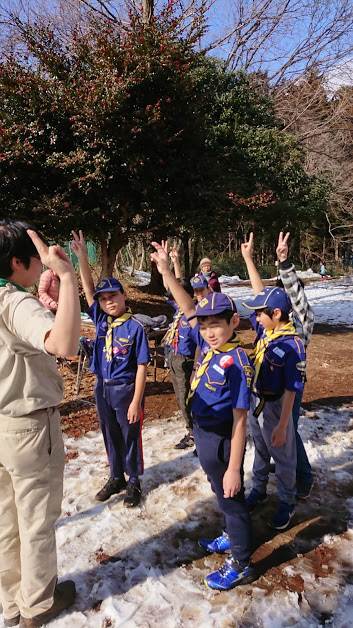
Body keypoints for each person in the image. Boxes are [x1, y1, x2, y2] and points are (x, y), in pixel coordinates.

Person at [151, 241, 256, 591]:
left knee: (232, 495)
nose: (209, 331)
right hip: (204, 435)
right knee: (219, 492)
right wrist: (166, 272)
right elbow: (187, 307)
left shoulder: (237, 363)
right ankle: (231, 531)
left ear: (234, 322)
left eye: (217, 324)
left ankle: (242, 563)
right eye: (206, 324)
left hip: (225, 440)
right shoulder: (207, 342)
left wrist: (233, 467)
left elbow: (241, 420)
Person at [0, 221, 80, 627]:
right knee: (35, 522)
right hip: (28, 429)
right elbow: (63, 344)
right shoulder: (13, 303)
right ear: (17, 262)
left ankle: (11, 604)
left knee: (4, 522)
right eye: (35, 260)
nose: (41, 264)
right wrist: (66, 277)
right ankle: (38, 605)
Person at [71, 230, 150, 507]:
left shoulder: (135, 327)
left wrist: (136, 401)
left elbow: (141, 366)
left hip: (126, 390)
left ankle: (133, 481)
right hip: (102, 388)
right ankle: (116, 475)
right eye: (104, 299)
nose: (108, 302)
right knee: (109, 433)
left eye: (113, 296)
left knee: (130, 435)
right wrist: (81, 256)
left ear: (123, 296)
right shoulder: (102, 321)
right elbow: (88, 289)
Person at [241, 234, 306, 530]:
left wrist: (282, 424)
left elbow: (294, 386)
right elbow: (260, 297)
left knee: (284, 453)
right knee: (261, 448)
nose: (256, 317)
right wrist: (248, 260)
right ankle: (257, 489)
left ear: (277, 313)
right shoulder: (266, 329)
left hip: (280, 405)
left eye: (260, 314)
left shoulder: (294, 338)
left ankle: (287, 500)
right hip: (258, 402)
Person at [276, 232, 314, 498]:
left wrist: (284, 263)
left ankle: (303, 477)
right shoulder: (276, 320)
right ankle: (285, 467)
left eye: (287, 291)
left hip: (293, 386)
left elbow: (297, 296)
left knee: (290, 430)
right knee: (279, 430)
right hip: (272, 387)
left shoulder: (304, 321)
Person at [162, 246, 197, 449]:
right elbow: (175, 286)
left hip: (186, 360)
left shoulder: (192, 314)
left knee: (187, 398)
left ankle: (194, 432)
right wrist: (172, 263)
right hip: (173, 357)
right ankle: (190, 428)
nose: (174, 298)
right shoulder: (177, 309)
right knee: (179, 396)